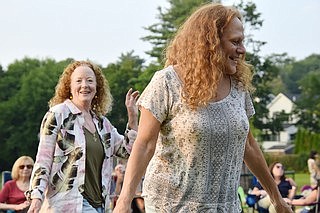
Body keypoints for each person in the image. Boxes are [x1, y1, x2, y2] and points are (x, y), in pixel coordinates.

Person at [113, 3, 292, 213]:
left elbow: (249, 146)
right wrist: (124, 202)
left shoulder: (239, 88)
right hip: (172, 206)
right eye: (235, 42)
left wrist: (277, 200)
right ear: (211, 42)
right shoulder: (167, 82)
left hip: (226, 207)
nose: (242, 50)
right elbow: (144, 145)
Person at [25, 60, 139, 213]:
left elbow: (127, 151)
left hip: (100, 205)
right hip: (68, 205)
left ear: (97, 88)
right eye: (78, 81)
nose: (84, 85)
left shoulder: (102, 123)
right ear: (69, 88)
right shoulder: (58, 114)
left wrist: (132, 117)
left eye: (90, 80)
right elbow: (43, 159)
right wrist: (36, 198)